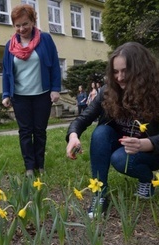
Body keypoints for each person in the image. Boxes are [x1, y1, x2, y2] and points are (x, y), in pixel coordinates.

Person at [66, 42, 159, 219]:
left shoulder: (156, 93)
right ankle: (99, 193)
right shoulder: (108, 92)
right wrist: (73, 136)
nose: (120, 77)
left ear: (141, 70)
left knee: (120, 159)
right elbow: (83, 118)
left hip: (151, 152)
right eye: (115, 72)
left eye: (125, 71)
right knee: (101, 132)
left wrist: (145, 144)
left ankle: (147, 179)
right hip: (122, 145)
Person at [1, 4, 61, 177]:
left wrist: (55, 89)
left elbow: (55, 66)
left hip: (42, 94)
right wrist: (6, 94)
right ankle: (29, 167)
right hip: (20, 96)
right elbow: (6, 72)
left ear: (33, 21)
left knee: (40, 131)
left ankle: (40, 165)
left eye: (25, 24)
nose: (21, 29)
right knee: (25, 132)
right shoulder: (9, 46)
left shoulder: (46, 40)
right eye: (17, 25)